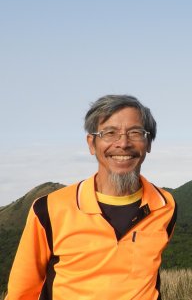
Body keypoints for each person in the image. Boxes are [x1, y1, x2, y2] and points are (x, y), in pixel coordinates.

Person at [5, 94, 177, 300]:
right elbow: (22, 293)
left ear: (148, 143)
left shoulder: (165, 206)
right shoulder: (49, 209)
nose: (123, 143)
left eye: (135, 132)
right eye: (110, 133)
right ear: (91, 143)